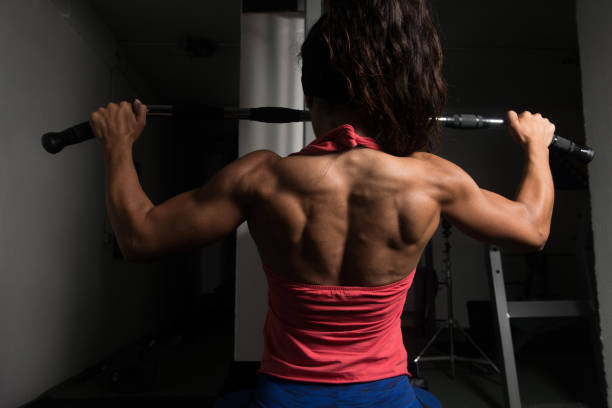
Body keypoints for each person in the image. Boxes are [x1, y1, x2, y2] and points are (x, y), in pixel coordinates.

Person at [89, 0, 555, 406]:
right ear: (396, 99)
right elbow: (533, 229)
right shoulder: (432, 179)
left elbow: (138, 235)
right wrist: (537, 148)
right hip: (385, 397)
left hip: (285, 396)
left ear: (310, 98)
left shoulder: (259, 177)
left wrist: (118, 145)